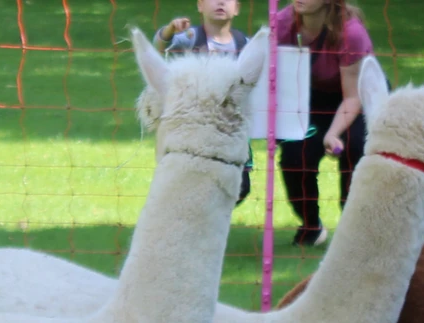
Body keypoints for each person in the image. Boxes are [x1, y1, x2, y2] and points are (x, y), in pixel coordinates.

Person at [275, 0, 374, 246]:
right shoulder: (282, 24)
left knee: (355, 148)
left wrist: (332, 134)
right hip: (311, 98)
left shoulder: (351, 33)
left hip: (358, 97)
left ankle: (355, 230)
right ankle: (311, 226)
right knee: (295, 156)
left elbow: (353, 97)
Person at [155, 1, 253, 204]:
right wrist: (170, 29)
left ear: (237, 8)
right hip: (196, 125)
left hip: (231, 127)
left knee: (241, 186)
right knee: (195, 178)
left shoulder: (244, 43)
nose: (220, 2)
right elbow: (160, 45)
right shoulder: (191, 38)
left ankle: (207, 212)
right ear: (200, 5)